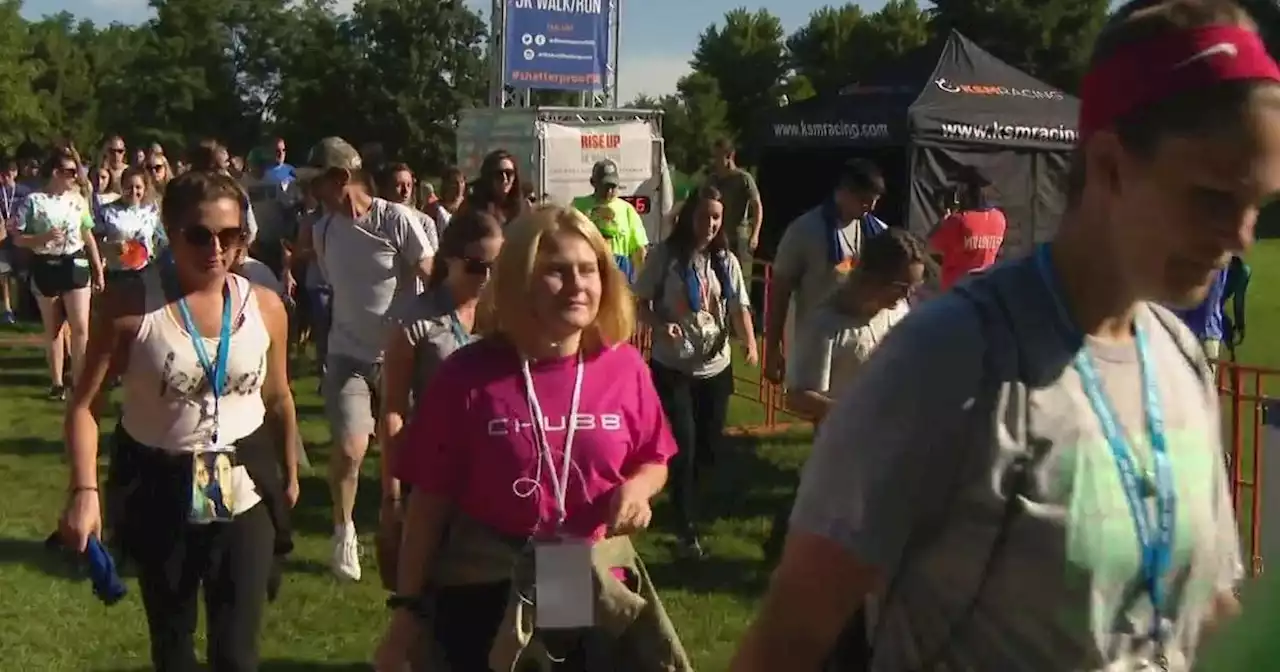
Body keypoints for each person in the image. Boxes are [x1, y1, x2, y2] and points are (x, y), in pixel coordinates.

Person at [728, 1, 1271, 669]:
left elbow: (1208, 608)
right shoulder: (948, 360)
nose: (1241, 237)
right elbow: (790, 636)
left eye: (1259, 207)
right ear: (1109, 167)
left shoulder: (1181, 359)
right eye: (1214, 198)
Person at [373, 204, 678, 671]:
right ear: (519, 280)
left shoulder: (624, 368)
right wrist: (407, 612)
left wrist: (637, 489)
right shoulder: (467, 376)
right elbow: (429, 502)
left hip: (588, 573)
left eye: (588, 269)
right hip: (486, 583)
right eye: (557, 271)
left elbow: (654, 456)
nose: (578, 285)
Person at [60, 169, 300, 670]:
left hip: (243, 480)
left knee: (237, 654)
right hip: (158, 481)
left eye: (231, 236)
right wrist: (84, 493)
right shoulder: (131, 308)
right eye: (200, 235)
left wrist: (290, 474)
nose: (216, 249)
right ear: (171, 233)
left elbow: (277, 397)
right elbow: (85, 406)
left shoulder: (266, 307)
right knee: (173, 647)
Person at [302, 137, 436, 582]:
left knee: (404, 456)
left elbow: (431, 280)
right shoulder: (323, 230)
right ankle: (344, 531)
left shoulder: (395, 220)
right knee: (350, 447)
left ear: (341, 179)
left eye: (318, 183)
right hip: (347, 355)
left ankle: (404, 531)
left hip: (400, 356)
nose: (312, 192)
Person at [375, 209, 503, 590]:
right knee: (435, 581)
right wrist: (391, 492)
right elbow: (394, 409)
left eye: (497, 266)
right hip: (435, 470)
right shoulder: (416, 322)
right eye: (478, 267)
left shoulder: (502, 316)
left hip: (496, 463)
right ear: (449, 260)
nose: (489, 278)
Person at [634, 185, 756, 558]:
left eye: (717, 218)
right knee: (683, 444)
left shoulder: (725, 261)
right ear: (690, 217)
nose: (710, 224)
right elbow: (640, 302)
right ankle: (685, 524)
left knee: (708, 447)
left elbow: (738, 306)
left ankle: (689, 501)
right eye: (704, 216)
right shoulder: (666, 256)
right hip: (674, 366)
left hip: (715, 366)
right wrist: (658, 324)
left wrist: (749, 342)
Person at [762, 158, 888, 386]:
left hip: (864, 350)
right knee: (825, 417)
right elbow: (780, 292)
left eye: (874, 201)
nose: (870, 208)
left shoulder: (878, 232)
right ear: (844, 192)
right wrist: (772, 349)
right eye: (864, 200)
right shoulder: (804, 231)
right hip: (820, 350)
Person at [784, 228, 924, 422]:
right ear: (873, 277)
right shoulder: (826, 325)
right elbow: (797, 397)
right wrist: (856, 414)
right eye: (902, 287)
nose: (907, 295)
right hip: (845, 446)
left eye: (914, 287)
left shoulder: (899, 310)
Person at [13, 148, 105, 400]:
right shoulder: (33, 201)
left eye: (77, 172)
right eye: (70, 172)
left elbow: (87, 235)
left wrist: (98, 269)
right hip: (45, 262)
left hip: (74, 262)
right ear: (56, 173)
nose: (75, 177)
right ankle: (56, 383)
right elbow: (17, 238)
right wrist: (41, 238)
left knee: (81, 327)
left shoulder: (77, 199)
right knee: (53, 328)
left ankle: (79, 380)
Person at [929, 169, 1007, 290]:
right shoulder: (999, 218)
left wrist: (944, 220)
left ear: (965, 190)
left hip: (956, 292)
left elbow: (929, 247)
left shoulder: (958, 221)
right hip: (984, 288)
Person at [572, 159, 648, 282]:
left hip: (620, 269)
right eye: (605, 186)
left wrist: (640, 281)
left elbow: (639, 250)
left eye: (613, 186)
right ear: (593, 183)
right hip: (589, 267)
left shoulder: (627, 210)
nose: (609, 191)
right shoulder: (578, 206)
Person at [96, 165, 164, 288]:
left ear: (144, 189)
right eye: (129, 187)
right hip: (117, 275)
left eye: (138, 187)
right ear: (122, 187)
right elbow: (96, 246)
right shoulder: (107, 211)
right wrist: (112, 247)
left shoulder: (151, 211)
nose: (133, 191)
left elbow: (160, 242)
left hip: (145, 274)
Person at [704, 138, 763, 277]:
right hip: (716, 235)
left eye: (718, 157)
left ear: (729, 156)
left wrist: (755, 234)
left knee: (736, 275)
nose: (715, 161)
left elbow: (757, 206)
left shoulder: (743, 179)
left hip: (737, 236)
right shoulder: (712, 179)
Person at [0, 157, 33, 324]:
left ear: (15, 173)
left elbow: (29, 211)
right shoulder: (0, 192)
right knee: (3, 271)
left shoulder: (25, 191)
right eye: (3, 174)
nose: (6, 178)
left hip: (20, 235)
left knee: (22, 273)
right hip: (3, 236)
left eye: (9, 173)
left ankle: (23, 307)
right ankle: (7, 309)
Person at [463, 149, 526, 225]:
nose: (504, 178)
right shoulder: (473, 209)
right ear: (489, 177)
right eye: (499, 174)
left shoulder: (522, 208)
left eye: (509, 173)